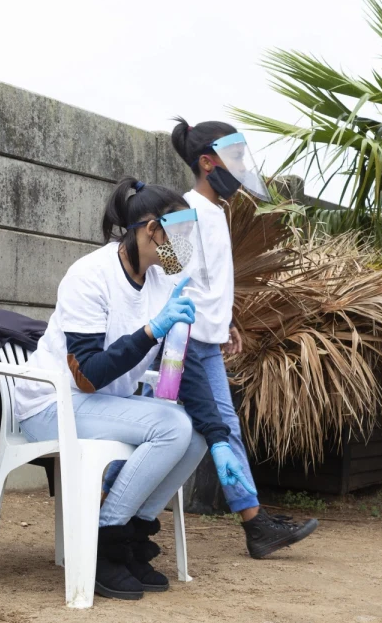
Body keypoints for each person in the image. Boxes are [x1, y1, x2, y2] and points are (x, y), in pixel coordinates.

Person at [13, 177, 254, 601]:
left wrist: (219, 440)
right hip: (52, 405)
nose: (185, 246)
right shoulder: (89, 275)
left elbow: (187, 368)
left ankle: (133, 533)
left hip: (102, 404)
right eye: (178, 234)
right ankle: (105, 539)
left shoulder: (163, 279)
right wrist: (150, 331)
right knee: (172, 427)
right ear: (150, 230)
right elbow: (88, 374)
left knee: (195, 430)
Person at [103, 118, 319, 558]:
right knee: (221, 426)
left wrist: (228, 322)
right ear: (207, 161)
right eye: (235, 158)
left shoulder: (217, 211)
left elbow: (209, 281)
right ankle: (255, 524)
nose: (242, 167)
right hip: (186, 341)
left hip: (204, 334)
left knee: (203, 430)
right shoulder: (184, 211)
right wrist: (197, 329)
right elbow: (170, 274)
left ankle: (115, 489)